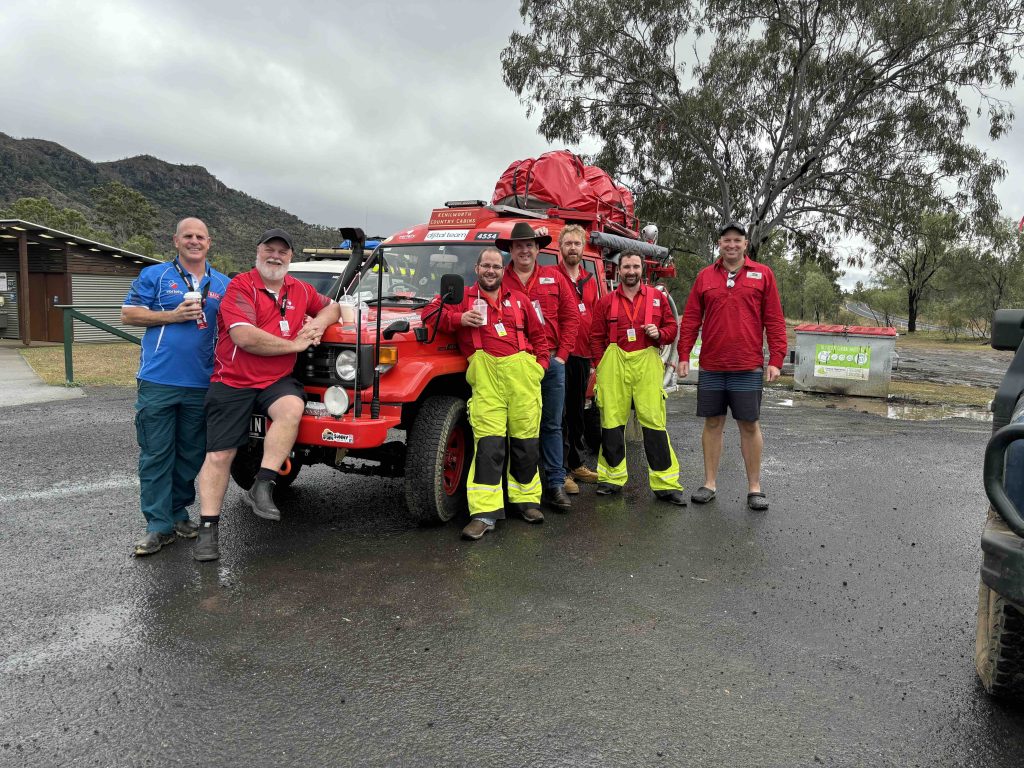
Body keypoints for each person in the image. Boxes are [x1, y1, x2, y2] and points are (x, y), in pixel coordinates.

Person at [192, 229, 340, 561]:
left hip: (276, 380)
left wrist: (318, 323)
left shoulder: (299, 288)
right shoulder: (240, 287)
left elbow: (334, 307)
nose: (275, 256)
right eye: (269, 250)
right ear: (257, 252)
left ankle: (263, 483)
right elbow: (246, 338)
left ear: (290, 257)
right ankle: (208, 529)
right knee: (219, 456)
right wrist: (295, 344)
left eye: (282, 252)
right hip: (234, 380)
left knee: (291, 407)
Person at [122, 218, 230, 556]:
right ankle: (157, 526)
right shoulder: (154, 275)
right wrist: (172, 315)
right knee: (156, 454)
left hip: (203, 382)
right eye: (188, 236)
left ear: (209, 243)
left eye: (200, 236)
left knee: (190, 454)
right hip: (159, 380)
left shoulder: (224, 284)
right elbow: (129, 314)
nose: (194, 241)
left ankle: (179, 514)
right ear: (176, 240)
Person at [427, 246, 550, 540]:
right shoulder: (462, 299)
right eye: (486, 266)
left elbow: (540, 338)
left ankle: (526, 502)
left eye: (496, 266)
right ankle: (484, 514)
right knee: (489, 447)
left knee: (526, 444)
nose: (491, 271)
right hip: (487, 383)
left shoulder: (520, 300)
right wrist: (458, 320)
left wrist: (540, 368)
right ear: (477, 269)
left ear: (502, 269)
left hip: (523, 382)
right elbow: (430, 314)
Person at [676, 221, 787, 511]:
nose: (732, 245)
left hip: (747, 366)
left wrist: (776, 359)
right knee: (713, 423)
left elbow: (774, 320)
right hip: (712, 365)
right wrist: (684, 354)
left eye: (737, 240)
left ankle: (754, 488)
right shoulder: (704, 277)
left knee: (749, 425)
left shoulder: (763, 275)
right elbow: (690, 320)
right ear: (719, 244)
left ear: (745, 244)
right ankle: (709, 483)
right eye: (727, 240)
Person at [590, 251, 687, 505]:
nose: (631, 271)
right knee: (611, 423)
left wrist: (660, 334)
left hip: (647, 364)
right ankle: (611, 479)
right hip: (613, 366)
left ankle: (665, 484)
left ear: (641, 270)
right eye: (626, 267)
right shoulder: (606, 302)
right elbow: (595, 336)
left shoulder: (657, 298)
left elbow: (672, 328)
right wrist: (600, 365)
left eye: (635, 267)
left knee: (654, 423)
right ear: (618, 271)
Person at [500, 222, 580, 512]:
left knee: (551, 424)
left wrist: (562, 356)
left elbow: (572, 318)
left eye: (530, 245)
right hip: (513, 367)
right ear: (511, 249)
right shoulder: (499, 280)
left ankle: (555, 484)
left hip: (551, 365)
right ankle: (517, 488)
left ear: (538, 249)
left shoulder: (554, 279)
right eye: (519, 245)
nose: (525, 249)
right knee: (514, 427)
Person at [556, 224, 599, 490]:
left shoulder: (590, 280)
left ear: (583, 248)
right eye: (568, 243)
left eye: (577, 243)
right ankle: (560, 471)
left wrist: (595, 359)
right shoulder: (551, 276)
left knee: (576, 415)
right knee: (558, 416)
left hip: (583, 355)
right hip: (561, 355)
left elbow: (594, 320)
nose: (573, 248)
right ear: (560, 248)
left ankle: (576, 463)